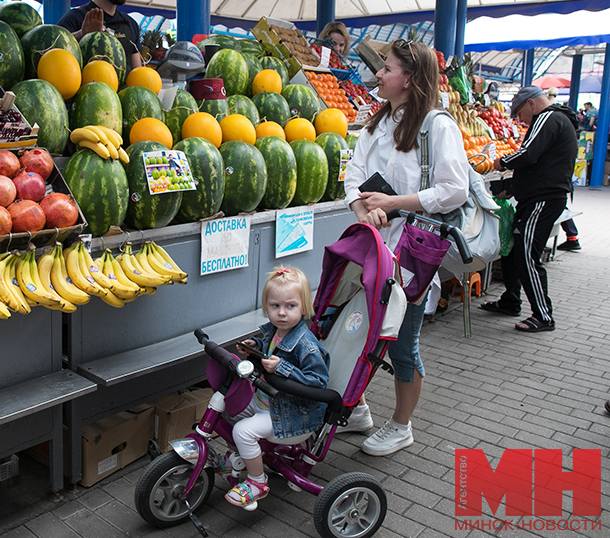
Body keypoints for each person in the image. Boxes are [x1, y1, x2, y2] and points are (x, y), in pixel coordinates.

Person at [339, 39, 469, 456]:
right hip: (372, 247)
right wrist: (364, 209)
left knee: (402, 340)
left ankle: (401, 425)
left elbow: (454, 190)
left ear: (409, 80)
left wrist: (394, 204)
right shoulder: (376, 123)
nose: (378, 74)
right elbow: (353, 174)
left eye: (387, 69)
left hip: (411, 256)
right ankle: (356, 409)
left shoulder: (437, 126)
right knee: (357, 329)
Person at [226, 267, 329, 508]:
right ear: (267, 308)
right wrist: (256, 346)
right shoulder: (276, 331)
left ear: (303, 308)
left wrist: (283, 368)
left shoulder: (307, 346)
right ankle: (242, 457)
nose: (281, 313)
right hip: (266, 403)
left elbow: (319, 381)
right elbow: (270, 348)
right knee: (228, 408)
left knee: (242, 430)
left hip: (291, 415)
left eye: (290, 306)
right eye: (275, 306)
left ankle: (257, 482)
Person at [480, 86, 577, 332]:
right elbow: (541, 162)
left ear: (532, 104)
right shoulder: (556, 119)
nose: (519, 119)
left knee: (526, 253)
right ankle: (511, 300)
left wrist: (500, 162)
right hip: (537, 196)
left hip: (543, 199)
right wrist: (513, 187)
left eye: (520, 112)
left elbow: (528, 154)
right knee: (513, 250)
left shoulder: (548, 117)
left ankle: (543, 316)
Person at [57, 0, 143, 76]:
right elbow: (52, 52)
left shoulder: (130, 23)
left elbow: (137, 74)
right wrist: (82, 34)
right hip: (89, 94)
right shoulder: (75, 18)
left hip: (125, 94)